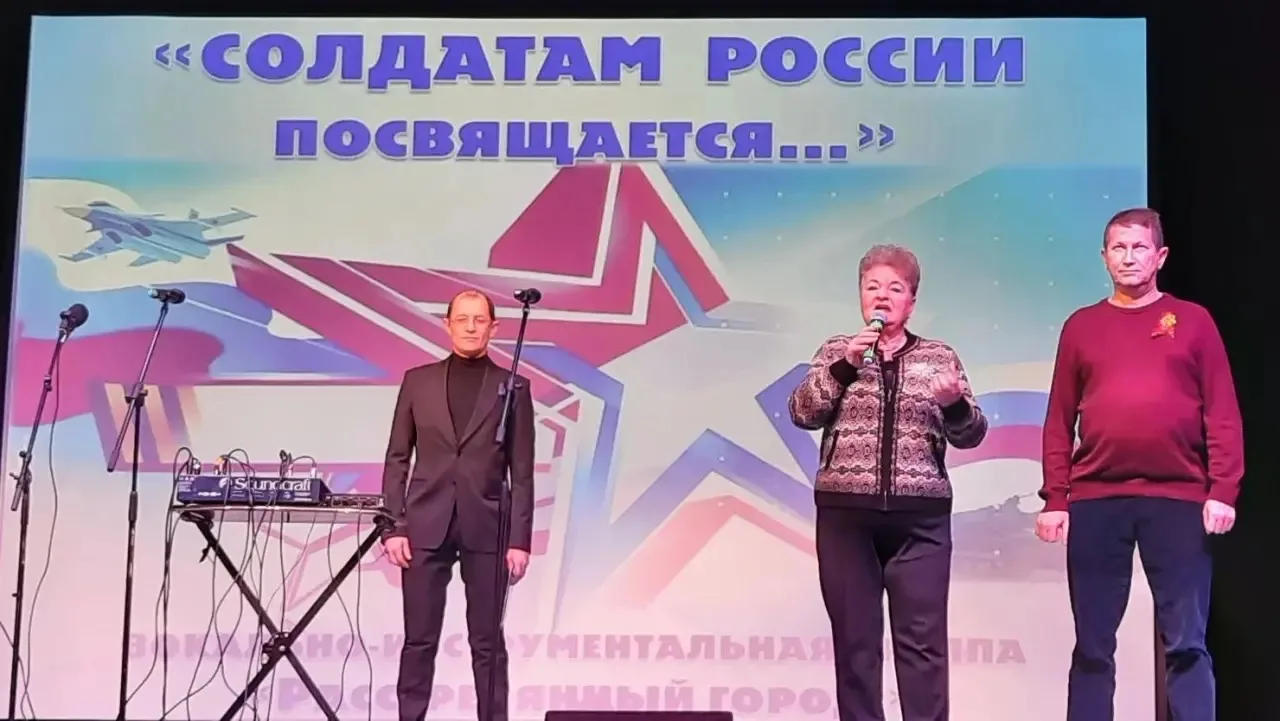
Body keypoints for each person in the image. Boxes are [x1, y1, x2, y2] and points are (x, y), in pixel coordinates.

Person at [1035, 207, 1243, 721]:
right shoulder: (1082, 326)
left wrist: (1223, 490)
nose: (1129, 258)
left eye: (1139, 248)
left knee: (1187, 643)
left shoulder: (1193, 322)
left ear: (1160, 256)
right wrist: (1055, 498)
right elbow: (1059, 418)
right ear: (1104, 257)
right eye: (1119, 248)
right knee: (1092, 646)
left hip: (1178, 499)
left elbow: (1222, 411)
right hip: (1096, 501)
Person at [789, 244, 988, 721]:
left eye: (895, 289)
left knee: (923, 650)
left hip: (920, 524)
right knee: (855, 646)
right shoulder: (836, 350)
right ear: (861, 296)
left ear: (911, 303)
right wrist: (845, 366)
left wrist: (954, 404)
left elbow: (972, 433)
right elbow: (802, 412)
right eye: (872, 287)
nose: (882, 296)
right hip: (847, 522)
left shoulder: (939, 357)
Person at [381, 288, 536, 721]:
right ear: (447, 325)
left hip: (488, 526)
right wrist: (393, 526)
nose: (470, 327)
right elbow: (397, 457)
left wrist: (519, 540)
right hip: (424, 525)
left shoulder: (514, 387)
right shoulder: (418, 381)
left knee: (488, 643)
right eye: (462, 319)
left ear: (494, 328)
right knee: (419, 640)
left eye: (479, 320)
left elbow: (522, 471)